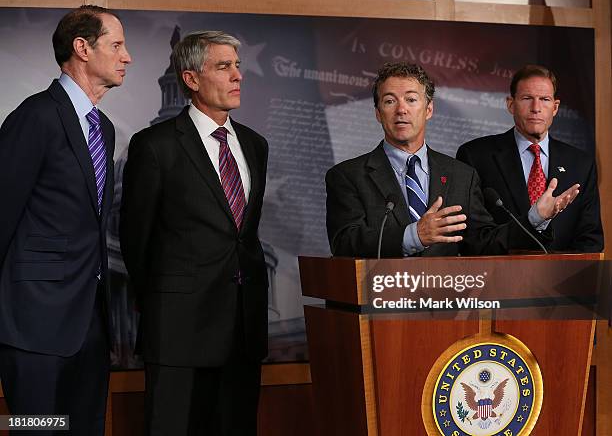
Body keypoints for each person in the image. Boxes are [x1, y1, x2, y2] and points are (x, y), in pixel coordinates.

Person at [120, 30, 268, 436]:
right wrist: (166, 303)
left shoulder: (256, 145)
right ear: (190, 79)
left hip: (242, 330)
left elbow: (244, 235)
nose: (237, 75)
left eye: (238, 65)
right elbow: (136, 240)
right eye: (224, 66)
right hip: (178, 332)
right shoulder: (154, 146)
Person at [0, 5, 131, 435]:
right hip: (34, 327)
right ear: (82, 48)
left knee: (83, 428)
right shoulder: (34, 117)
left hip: (90, 326)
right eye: (116, 45)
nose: (126, 56)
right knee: (38, 430)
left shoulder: (105, 128)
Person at [326, 62, 579, 258]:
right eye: (390, 101)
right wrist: (414, 235)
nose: (401, 109)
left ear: (428, 110)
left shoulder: (461, 175)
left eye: (411, 100)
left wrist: (535, 218)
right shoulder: (348, 176)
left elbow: (484, 242)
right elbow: (345, 242)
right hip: (381, 309)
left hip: (449, 312)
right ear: (378, 113)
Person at [457, 64, 603, 252]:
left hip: (564, 278)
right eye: (527, 98)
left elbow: (591, 241)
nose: (536, 108)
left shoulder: (581, 164)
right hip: (498, 277)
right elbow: (474, 239)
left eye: (545, 99)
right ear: (511, 104)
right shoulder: (474, 155)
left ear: (555, 107)